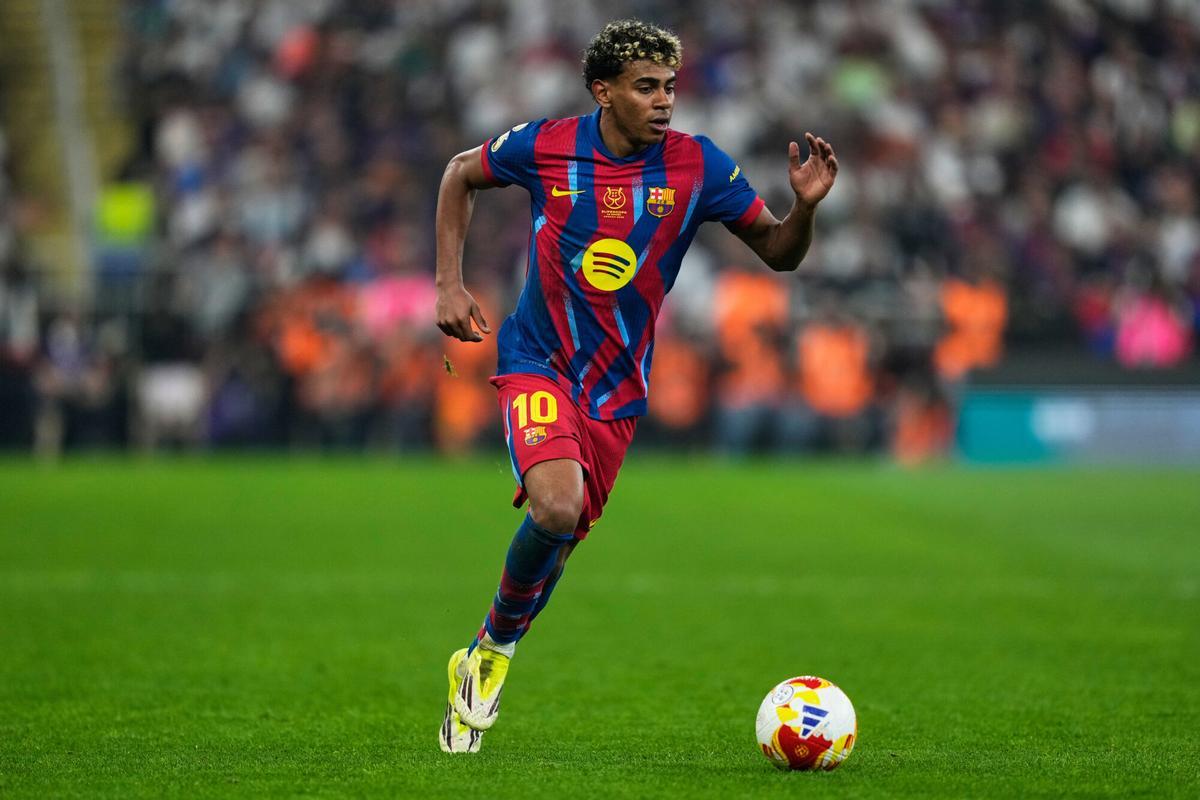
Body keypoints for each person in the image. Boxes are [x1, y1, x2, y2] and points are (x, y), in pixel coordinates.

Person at [433, 19, 838, 754]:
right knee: (557, 505)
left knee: (561, 533)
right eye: (646, 88)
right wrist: (448, 284)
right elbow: (460, 173)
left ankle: (488, 649)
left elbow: (778, 253)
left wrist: (804, 209)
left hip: (616, 393)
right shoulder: (547, 146)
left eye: (670, 88)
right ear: (604, 91)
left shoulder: (699, 167)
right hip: (538, 360)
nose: (663, 102)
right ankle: (491, 656)